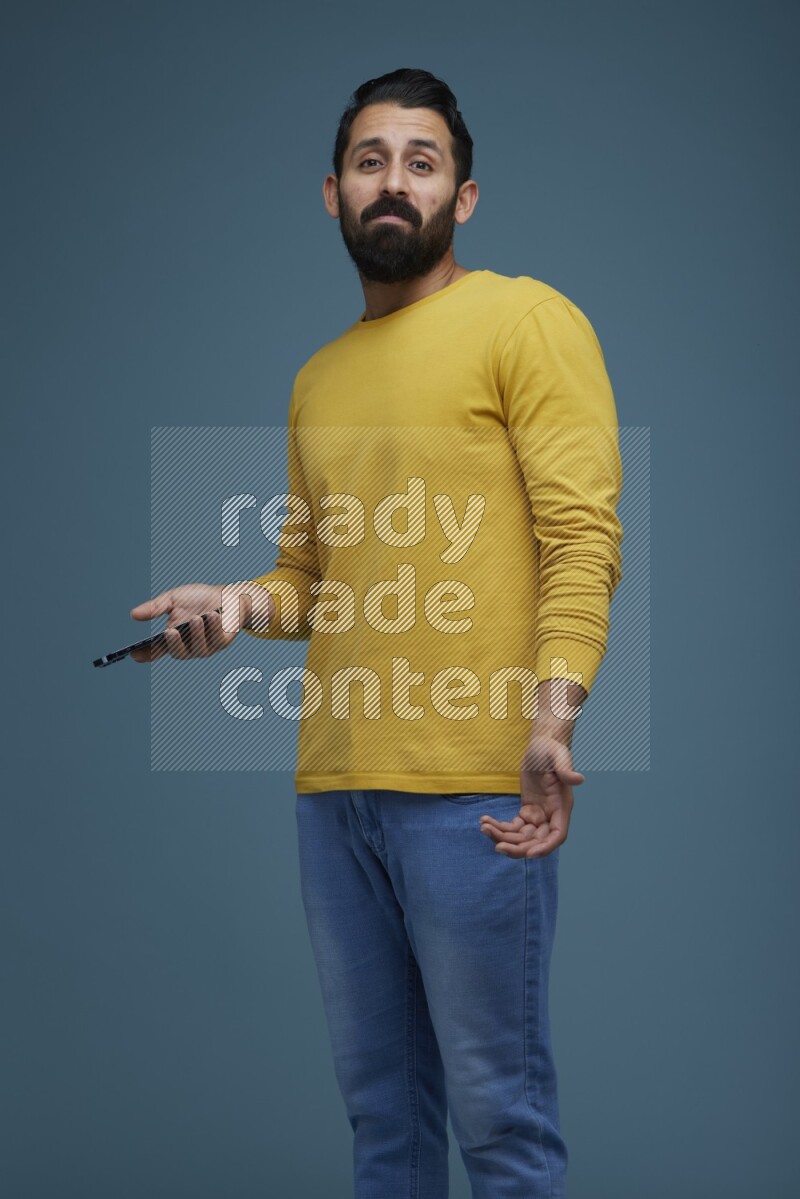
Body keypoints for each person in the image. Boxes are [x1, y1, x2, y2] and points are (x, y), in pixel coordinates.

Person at [131, 67, 623, 1199]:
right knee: (384, 1126)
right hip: (335, 792)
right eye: (369, 160)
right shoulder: (319, 378)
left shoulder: (523, 318)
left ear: (463, 195)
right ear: (331, 193)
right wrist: (235, 605)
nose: (391, 181)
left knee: (500, 1122)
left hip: (472, 792)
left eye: (419, 160)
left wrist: (551, 721)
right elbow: (312, 576)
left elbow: (579, 539)